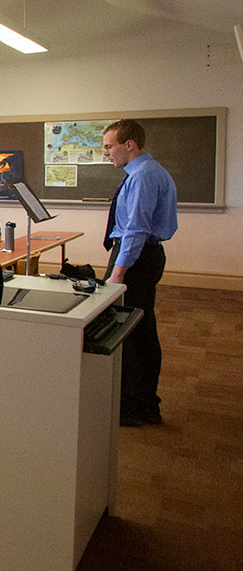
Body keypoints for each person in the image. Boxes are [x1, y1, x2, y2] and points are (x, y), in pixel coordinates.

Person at [102, 118, 176, 427]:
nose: (105, 153)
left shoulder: (143, 176)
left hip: (135, 258)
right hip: (144, 256)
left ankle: (131, 406)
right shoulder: (150, 170)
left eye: (109, 146)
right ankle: (145, 403)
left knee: (127, 331)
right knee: (142, 328)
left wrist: (119, 273)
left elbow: (135, 229)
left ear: (129, 144)